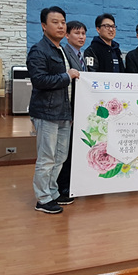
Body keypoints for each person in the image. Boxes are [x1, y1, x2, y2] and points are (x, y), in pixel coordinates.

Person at [27, 6, 80, 214]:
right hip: (46, 113)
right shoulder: (39, 50)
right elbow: (39, 80)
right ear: (43, 26)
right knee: (46, 158)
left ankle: (52, 192)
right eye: (55, 22)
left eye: (63, 22)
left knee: (60, 157)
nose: (60, 26)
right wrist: (67, 76)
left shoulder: (62, 50)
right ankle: (42, 199)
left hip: (64, 113)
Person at [57, 20, 97, 202]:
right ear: (67, 35)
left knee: (78, 147)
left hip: (82, 108)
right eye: (77, 33)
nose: (81, 37)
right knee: (65, 150)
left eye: (83, 34)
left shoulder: (84, 55)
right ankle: (62, 185)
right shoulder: (64, 53)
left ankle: (74, 182)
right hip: (68, 107)